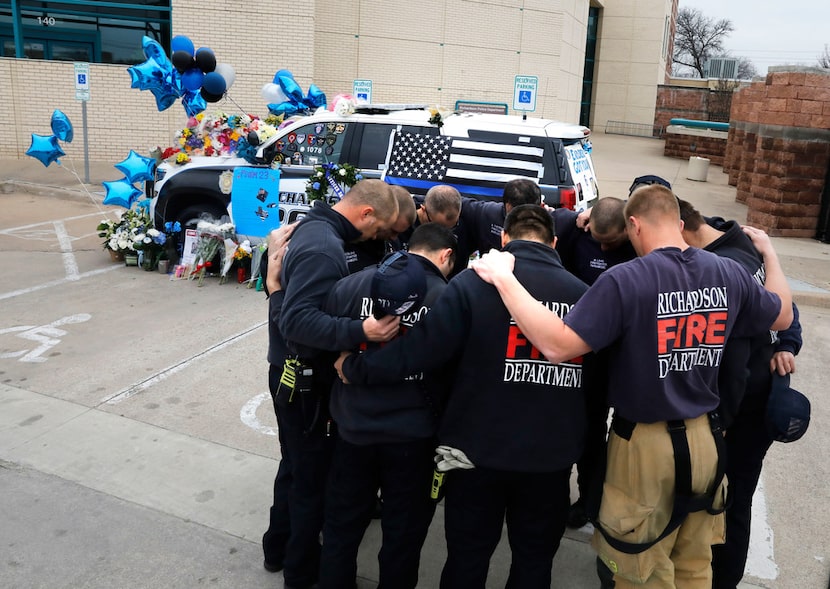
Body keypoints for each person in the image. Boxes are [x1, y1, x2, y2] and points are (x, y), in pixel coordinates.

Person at [471, 185, 793, 589]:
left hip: (645, 447)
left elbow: (557, 345)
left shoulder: (626, 280)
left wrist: (504, 280)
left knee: (639, 570)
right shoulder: (726, 272)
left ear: (634, 225)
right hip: (705, 441)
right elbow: (780, 315)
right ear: (677, 223)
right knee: (694, 566)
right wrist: (771, 254)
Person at [337, 204, 592, 589]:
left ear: (504, 239)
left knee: (467, 558)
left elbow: (418, 352)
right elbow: (598, 386)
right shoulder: (584, 296)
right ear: (554, 243)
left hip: (476, 453)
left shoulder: (471, 285)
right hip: (549, 457)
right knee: (534, 560)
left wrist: (354, 369)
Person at [269, 178, 402, 589]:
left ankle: (278, 549)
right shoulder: (325, 247)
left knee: (295, 466)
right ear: (365, 212)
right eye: (379, 228)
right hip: (303, 379)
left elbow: (284, 291)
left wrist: (274, 285)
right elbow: (297, 320)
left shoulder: (308, 229)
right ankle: (301, 571)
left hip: (290, 371)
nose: (379, 237)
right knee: (310, 479)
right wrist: (360, 329)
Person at [319, 223, 457, 589]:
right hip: (412, 437)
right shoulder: (447, 299)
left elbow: (327, 339)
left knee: (341, 526)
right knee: (403, 536)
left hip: (353, 428)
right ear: (445, 256)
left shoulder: (353, 284)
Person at [678, 199, 803, 589]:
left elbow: (735, 365)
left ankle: (719, 579)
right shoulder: (740, 240)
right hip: (746, 400)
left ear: (684, 228)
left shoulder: (727, 267)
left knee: (727, 503)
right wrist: (787, 342)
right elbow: (783, 304)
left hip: (744, 410)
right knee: (727, 498)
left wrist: (720, 424)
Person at [345, 185, 417, 272]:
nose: (393, 237)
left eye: (399, 233)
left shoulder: (392, 244)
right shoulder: (345, 243)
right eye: (393, 231)